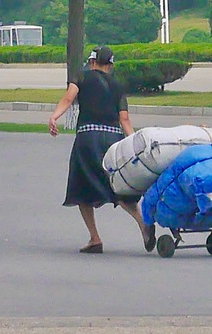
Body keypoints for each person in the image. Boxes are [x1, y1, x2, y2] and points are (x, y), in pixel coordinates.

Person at [48, 46, 156, 254]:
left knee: (82, 187)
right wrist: (133, 143)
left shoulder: (82, 77)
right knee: (118, 185)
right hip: (114, 140)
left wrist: (54, 117)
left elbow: (69, 99)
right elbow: (124, 119)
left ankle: (95, 238)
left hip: (88, 138)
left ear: (92, 63)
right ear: (111, 65)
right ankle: (143, 224)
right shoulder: (117, 86)